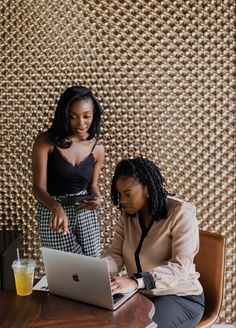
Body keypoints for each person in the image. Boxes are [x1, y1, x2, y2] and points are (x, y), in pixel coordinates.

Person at [103, 157, 205, 328]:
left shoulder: (181, 213)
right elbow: (116, 253)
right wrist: (96, 272)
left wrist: (136, 282)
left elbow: (180, 268)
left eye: (128, 194)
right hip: (140, 295)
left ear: (147, 189)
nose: (122, 201)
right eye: (119, 194)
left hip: (180, 297)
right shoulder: (128, 216)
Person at [32, 86, 105, 257]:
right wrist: (55, 206)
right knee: (67, 272)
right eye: (73, 117)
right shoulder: (45, 142)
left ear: (94, 115)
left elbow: (93, 186)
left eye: (86, 116)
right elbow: (37, 188)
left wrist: (97, 198)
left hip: (84, 213)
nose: (81, 123)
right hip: (53, 212)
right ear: (64, 115)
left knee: (92, 269)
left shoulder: (97, 148)